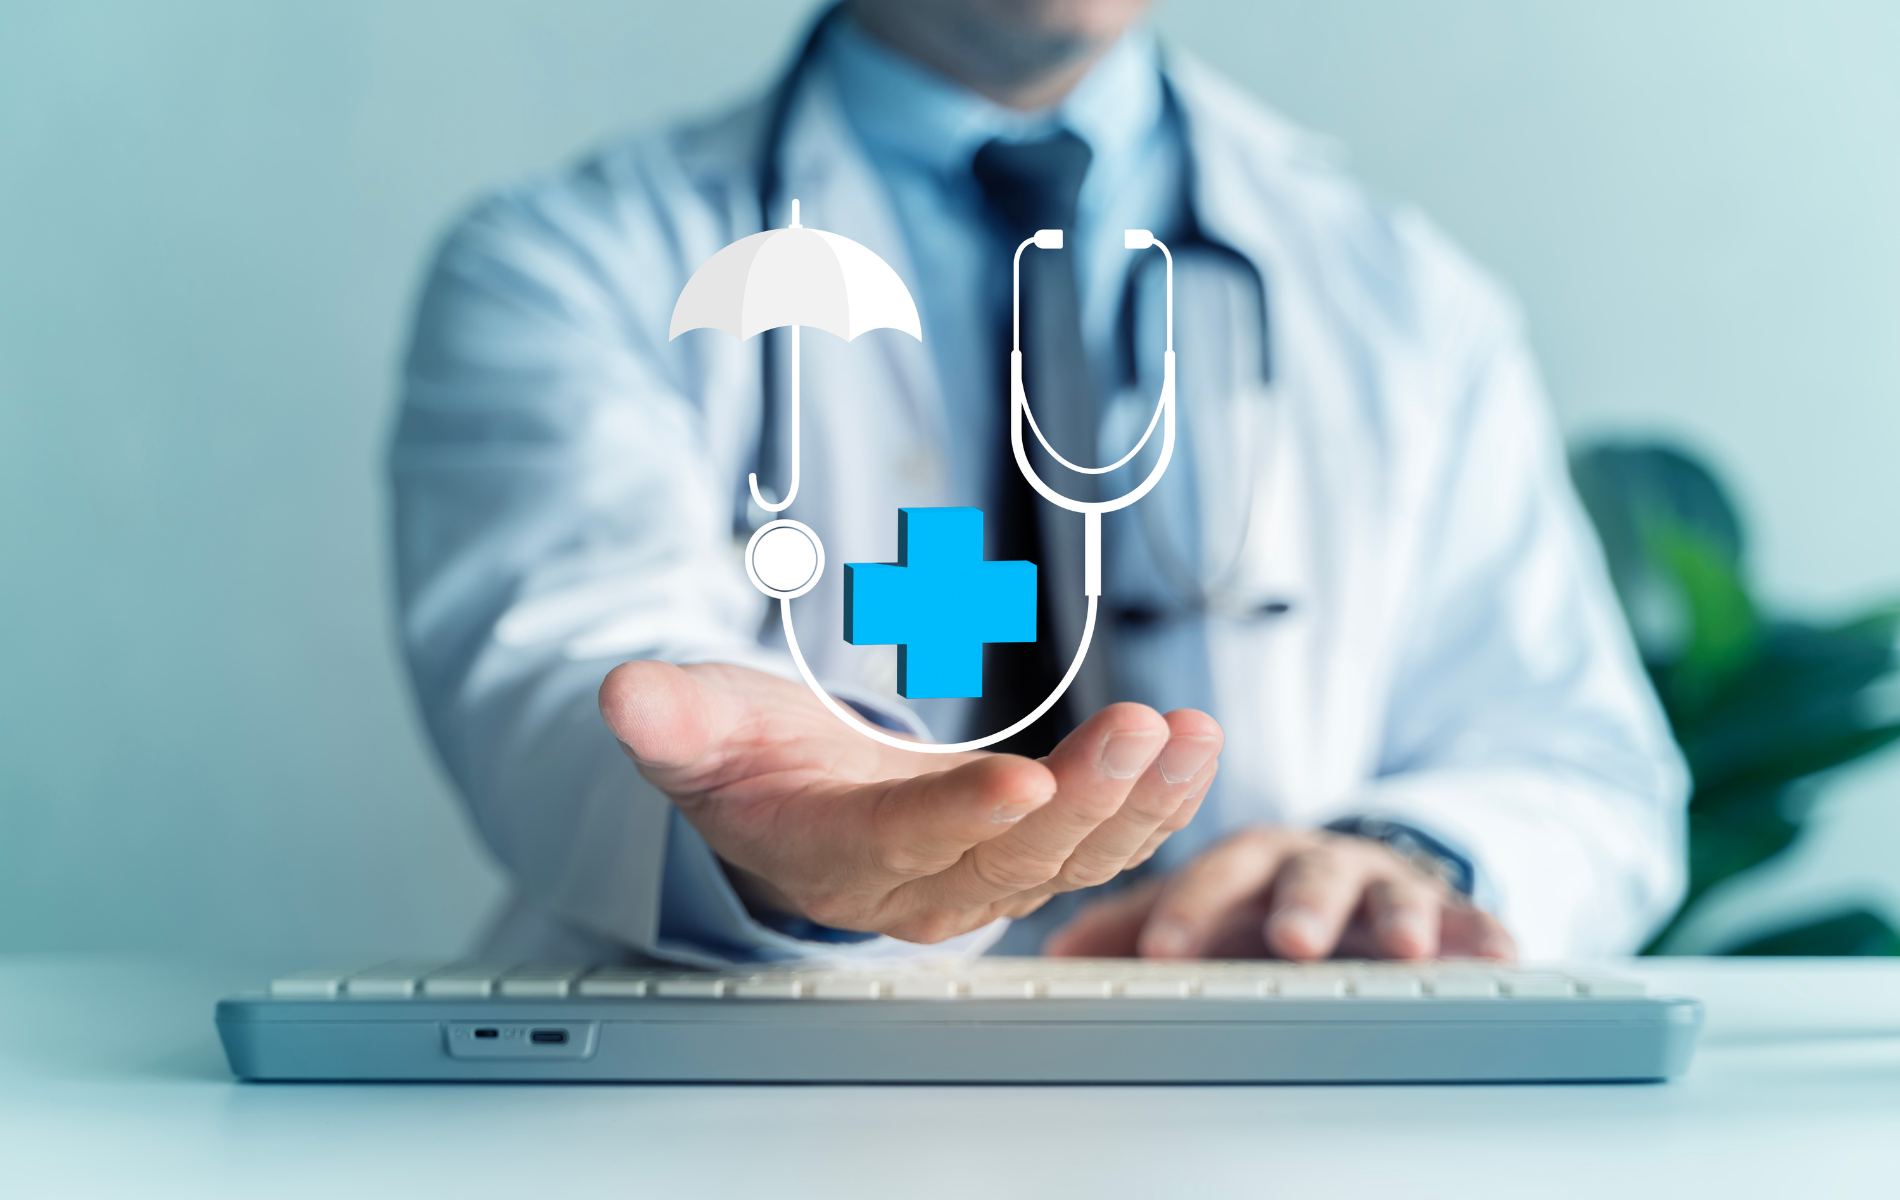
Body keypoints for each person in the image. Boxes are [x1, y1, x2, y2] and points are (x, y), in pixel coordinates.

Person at [392, 0, 1687, 968]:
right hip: (758, 1116)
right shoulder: (570, 266)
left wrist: (1396, 863)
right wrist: (768, 833)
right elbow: (562, 693)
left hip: (1270, 1118)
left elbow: (1579, 767)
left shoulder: (1408, 296)